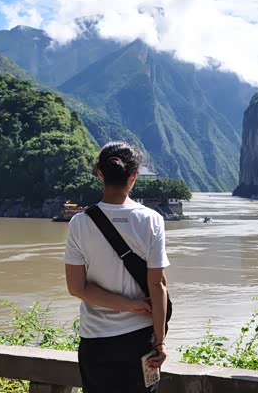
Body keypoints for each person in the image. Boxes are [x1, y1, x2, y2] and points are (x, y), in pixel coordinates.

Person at [64, 141, 169, 392]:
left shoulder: (79, 223)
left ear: (100, 173)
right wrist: (160, 342)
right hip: (139, 338)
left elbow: (77, 288)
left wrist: (128, 305)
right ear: (134, 176)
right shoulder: (151, 220)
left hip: (95, 341)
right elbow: (157, 285)